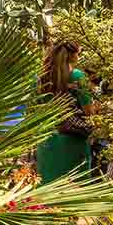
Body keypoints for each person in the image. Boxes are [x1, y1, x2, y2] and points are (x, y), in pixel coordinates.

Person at [36, 41, 96, 184]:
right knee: (74, 188)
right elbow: (89, 111)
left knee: (47, 188)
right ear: (74, 55)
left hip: (46, 140)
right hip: (73, 140)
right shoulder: (76, 76)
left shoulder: (41, 78)